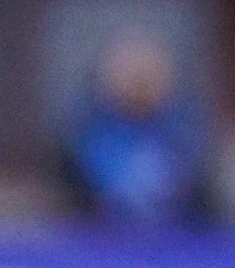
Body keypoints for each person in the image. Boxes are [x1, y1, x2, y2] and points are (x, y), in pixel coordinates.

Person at [60, 28, 209, 229]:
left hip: (176, 248)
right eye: (131, 74)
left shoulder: (189, 138)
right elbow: (65, 210)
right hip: (97, 248)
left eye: (148, 75)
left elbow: (205, 208)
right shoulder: (79, 141)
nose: (139, 83)